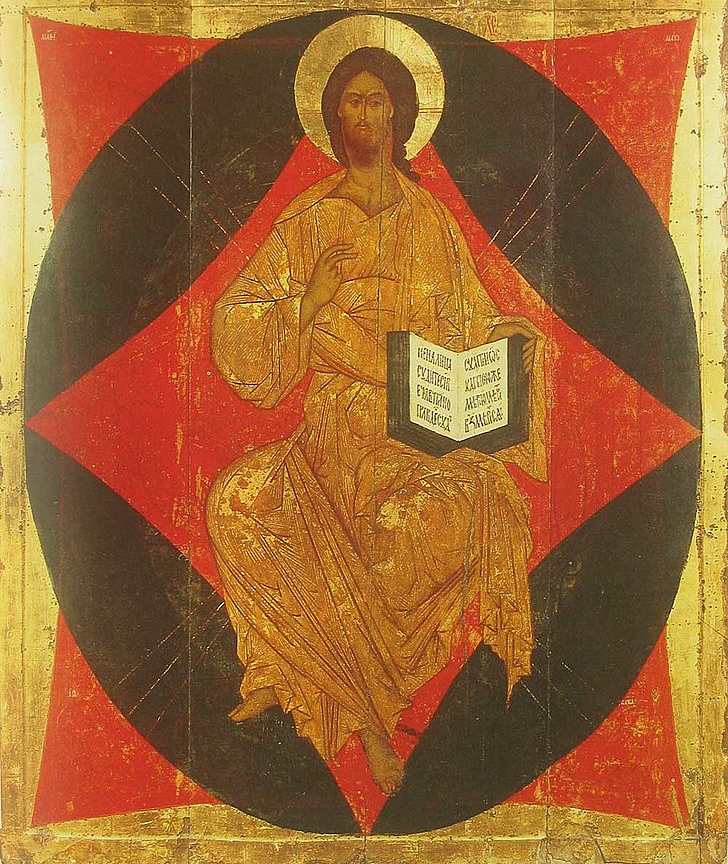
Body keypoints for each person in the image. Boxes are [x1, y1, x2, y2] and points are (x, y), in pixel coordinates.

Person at [206, 47, 547, 795]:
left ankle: (358, 701)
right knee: (235, 504)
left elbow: (469, 319)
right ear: (334, 118)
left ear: (400, 114)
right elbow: (236, 321)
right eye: (352, 102)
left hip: (416, 431)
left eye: (377, 101)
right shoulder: (310, 219)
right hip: (331, 430)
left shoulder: (431, 220)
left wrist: (507, 338)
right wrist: (309, 301)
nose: (365, 114)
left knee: (412, 529)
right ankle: (334, 702)